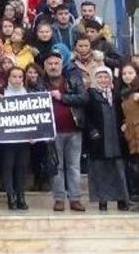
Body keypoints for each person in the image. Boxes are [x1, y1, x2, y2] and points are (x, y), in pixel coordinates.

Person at [43, 51, 88, 212]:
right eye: (50, 64)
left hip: (74, 130)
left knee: (74, 166)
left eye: (56, 63)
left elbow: (84, 98)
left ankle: (75, 199)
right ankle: (59, 199)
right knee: (57, 167)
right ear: (45, 66)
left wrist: (62, 97)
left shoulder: (73, 79)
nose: (53, 67)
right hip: (52, 132)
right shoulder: (41, 84)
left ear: (62, 65)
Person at [85, 66, 131, 211]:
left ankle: (122, 199)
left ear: (110, 79)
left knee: (119, 170)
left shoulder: (116, 96)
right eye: (99, 77)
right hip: (99, 140)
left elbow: (124, 114)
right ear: (95, 79)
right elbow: (86, 117)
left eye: (106, 77)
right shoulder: (90, 95)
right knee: (100, 171)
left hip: (117, 139)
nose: (103, 80)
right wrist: (92, 131)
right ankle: (102, 200)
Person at [0, 67, 31, 210]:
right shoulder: (2, 94)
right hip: (7, 139)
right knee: (8, 166)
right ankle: (10, 196)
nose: (17, 80)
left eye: (20, 77)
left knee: (21, 167)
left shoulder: (29, 94)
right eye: (14, 76)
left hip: (24, 138)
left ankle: (21, 196)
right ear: (8, 78)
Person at [118, 62, 139, 201]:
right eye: (124, 73)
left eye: (130, 73)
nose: (127, 76)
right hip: (132, 135)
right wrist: (125, 123)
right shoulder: (124, 93)